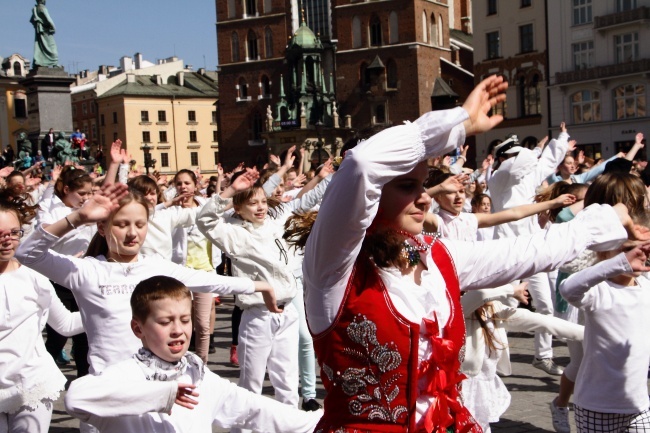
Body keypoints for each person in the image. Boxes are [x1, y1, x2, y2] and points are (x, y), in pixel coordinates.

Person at [301, 75, 644, 432]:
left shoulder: (435, 255)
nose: (424, 197)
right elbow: (363, 165)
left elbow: (526, 252)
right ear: (370, 197)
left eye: (423, 185)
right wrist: (454, 122)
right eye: (407, 186)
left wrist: (604, 220)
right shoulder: (333, 267)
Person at [15, 183, 280, 378]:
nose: (132, 233)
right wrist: (78, 218)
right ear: (102, 227)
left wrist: (260, 286)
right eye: (122, 224)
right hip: (109, 390)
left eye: (140, 225)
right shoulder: (87, 271)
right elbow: (27, 253)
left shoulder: (155, 267)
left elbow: (207, 281)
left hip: (157, 385)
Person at [64, 275, 322, 433]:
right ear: (137, 328)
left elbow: (254, 409)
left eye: (185, 320)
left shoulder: (197, 374)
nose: (178, 331)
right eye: (165, 322)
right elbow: (77, 397)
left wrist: (323, 420)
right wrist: (163, 394)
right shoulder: (126, 373)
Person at [196, 161, 331, 431]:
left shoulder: (277, 219)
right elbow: (204, 220)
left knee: (287, 382)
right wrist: (232, 188)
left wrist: (326, 177)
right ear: (238, 208)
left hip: (286, 312)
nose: (260, 207)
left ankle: (290, 427)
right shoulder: (233, 233)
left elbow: (304, 201)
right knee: (251, 384)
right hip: (257, 315)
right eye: (252, 203)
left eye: (262, 201)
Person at [0, 196, 83, 433]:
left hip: (32, 384)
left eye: (14, 233)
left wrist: (108, 311)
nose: (7, 241)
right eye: (0, 234)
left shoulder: (34, 275)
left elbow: (65, 324)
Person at [559, 231, 650, 432]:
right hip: (597, 405)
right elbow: (567, 289)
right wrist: (617, 264)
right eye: (626, 249)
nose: (637, 255)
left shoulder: (646, 286)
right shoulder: (598, 290)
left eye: (641, 249)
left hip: (638, 404)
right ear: (604, 255)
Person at [37, 166, 95, 375]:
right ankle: (42, 373)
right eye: (81, 194)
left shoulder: (87, 210)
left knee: (84, 336)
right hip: (58, 278)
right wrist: (79, 219)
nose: (86, 198)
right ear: (66, 190)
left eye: (89, 193)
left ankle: (82, 380)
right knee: (57, 336)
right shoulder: (56, 211)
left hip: (82, 278)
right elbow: (47, 236)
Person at [30, 0, 58, 68]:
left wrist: (37, 23)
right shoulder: (42, 8)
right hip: (46, 30)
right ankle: (55, 63)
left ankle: (40, 62)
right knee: (52, 47)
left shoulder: (35, 9)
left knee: (40, 46)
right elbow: (48, 18)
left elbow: (31, 20)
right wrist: (53, 27)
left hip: (39, 31)